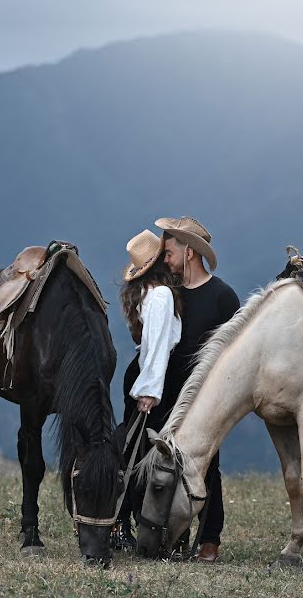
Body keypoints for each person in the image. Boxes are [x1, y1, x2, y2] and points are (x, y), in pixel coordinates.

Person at [155, 215, 240, 564]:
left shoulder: (222, 296)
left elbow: (237, 354)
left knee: (207, 465)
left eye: (170, 251)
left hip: (207, 398)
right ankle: (173, 534)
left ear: (189, 252)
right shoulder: (168, 294)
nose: (165, 258)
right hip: (169, 392)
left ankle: (209, 539)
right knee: (165, 465)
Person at [112, 230, 182, 551]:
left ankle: (123, 523)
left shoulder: (145, 293)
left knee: (134, 451)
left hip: (140, 374)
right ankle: (128, 522)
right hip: (150, 378)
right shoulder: (162, 295)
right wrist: (151, 389)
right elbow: (155, 348)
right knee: (141, 455)